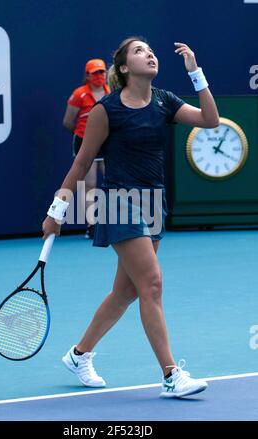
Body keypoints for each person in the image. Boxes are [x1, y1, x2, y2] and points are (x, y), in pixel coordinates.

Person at [43, 36, 219, 398]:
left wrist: (196, 73)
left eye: (150, 50)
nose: (149, 54)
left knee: (125, 292)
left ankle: (78, 355)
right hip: (118, 201)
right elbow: (82, 161)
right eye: (139, 51)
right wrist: (56, 211)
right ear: (124, 68)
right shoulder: (107, 110)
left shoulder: (164, 100)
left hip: (153, 202)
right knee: (152, 284)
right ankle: (171, 375)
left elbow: (210, 121)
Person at [62, 59, 110, 239]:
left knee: (114, 179)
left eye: (102, 72)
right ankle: (92, 224)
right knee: (90, 184)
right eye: (95, 73)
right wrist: (86, 135)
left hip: (107, 142)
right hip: (84, 142)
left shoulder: (111, 92)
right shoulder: (79, 94)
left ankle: (116, 221)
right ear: (88, 75)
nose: (100, 76)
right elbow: (68, 121)